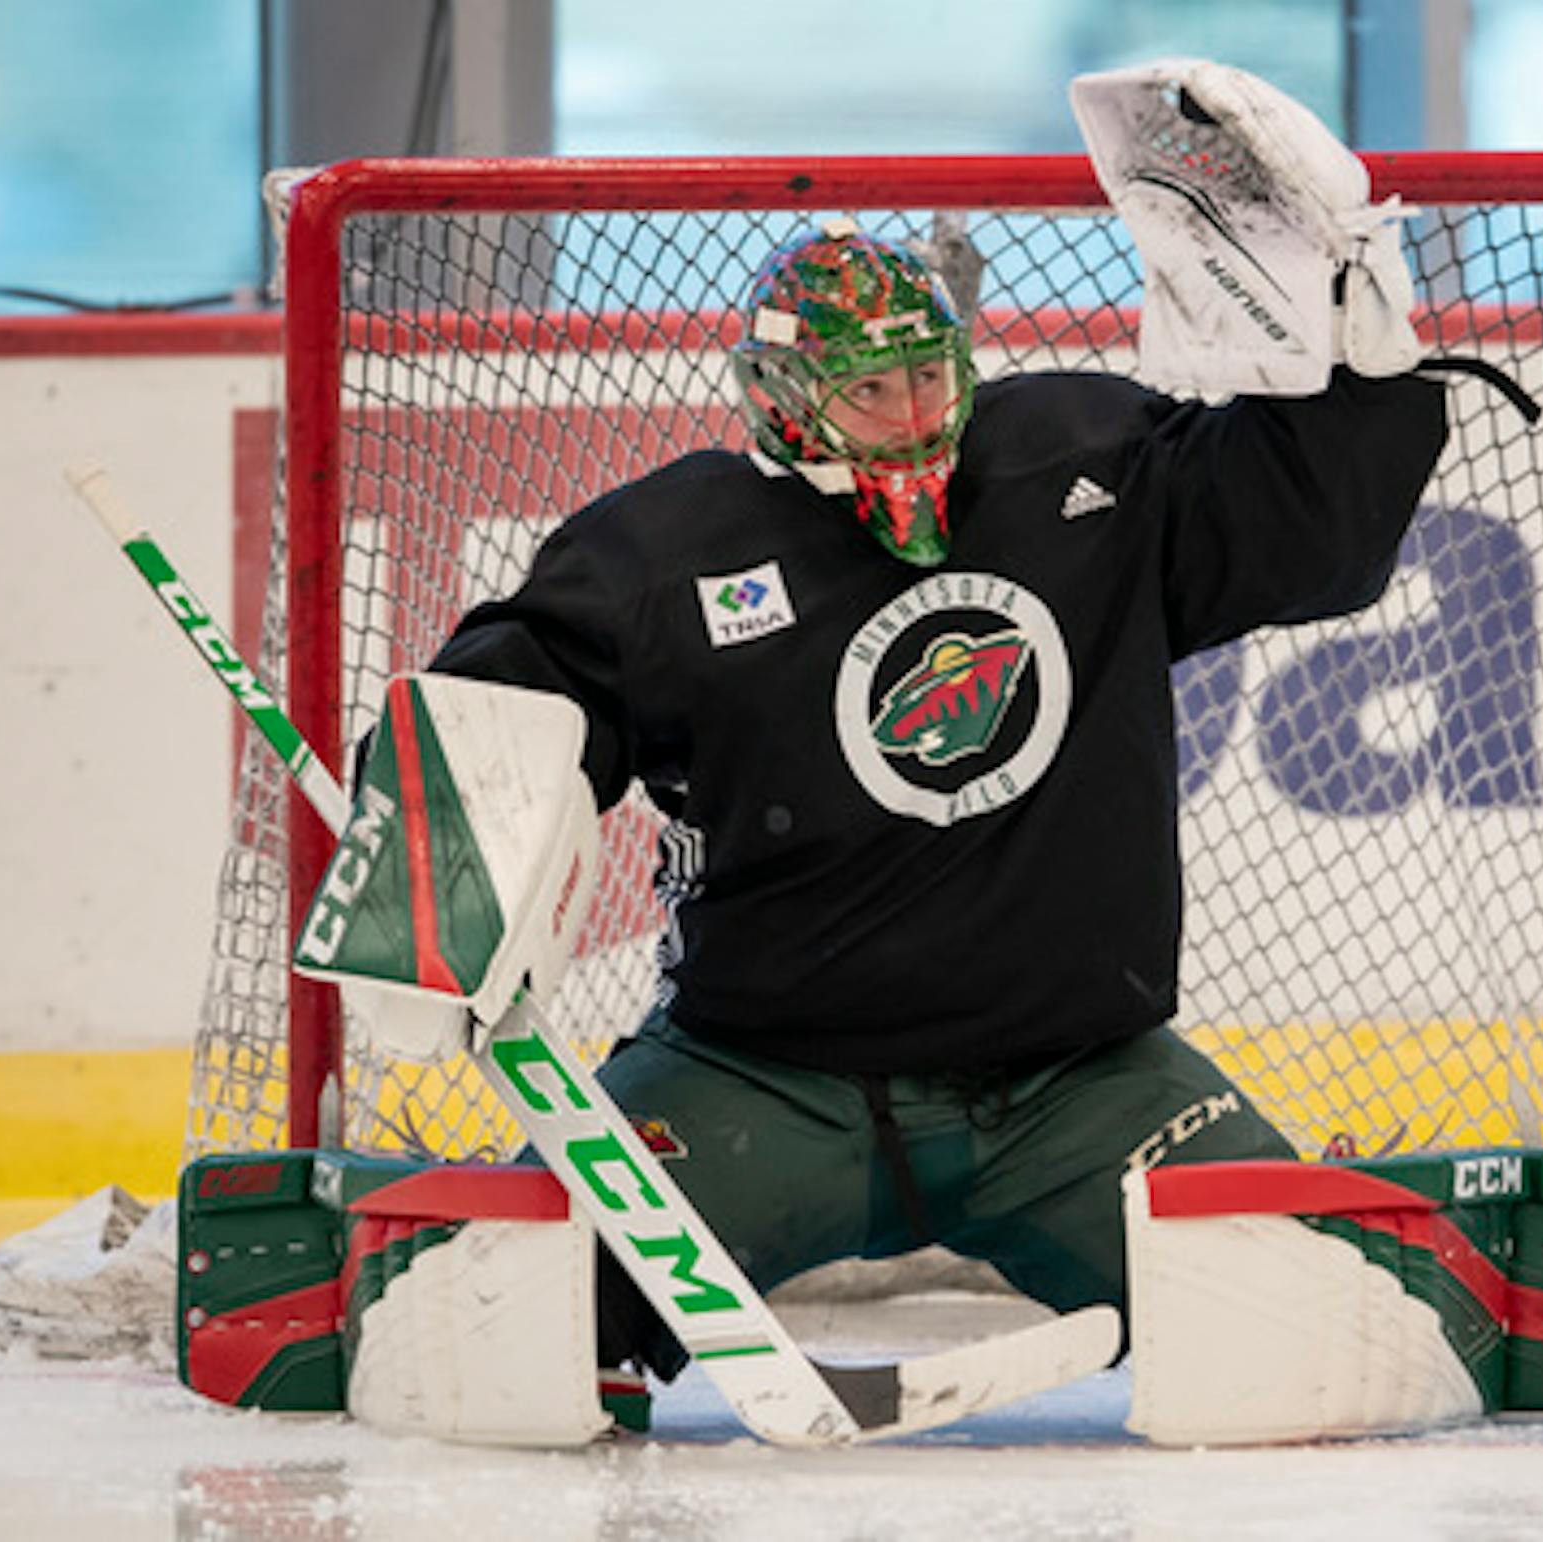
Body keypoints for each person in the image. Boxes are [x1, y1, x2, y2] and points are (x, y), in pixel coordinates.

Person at [411, 210, 1450, 1386]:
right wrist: (445, 817)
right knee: (496, 1338)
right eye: (869, 389)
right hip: (757, 1083)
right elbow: (513, 703)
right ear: (784, 395)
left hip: (1081, 1090)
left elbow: (1303, 535)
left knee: (1349, 1339)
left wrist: (1360, 386)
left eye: (927, 374)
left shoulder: (1080, 463)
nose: (913, 417)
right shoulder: (665, 552)